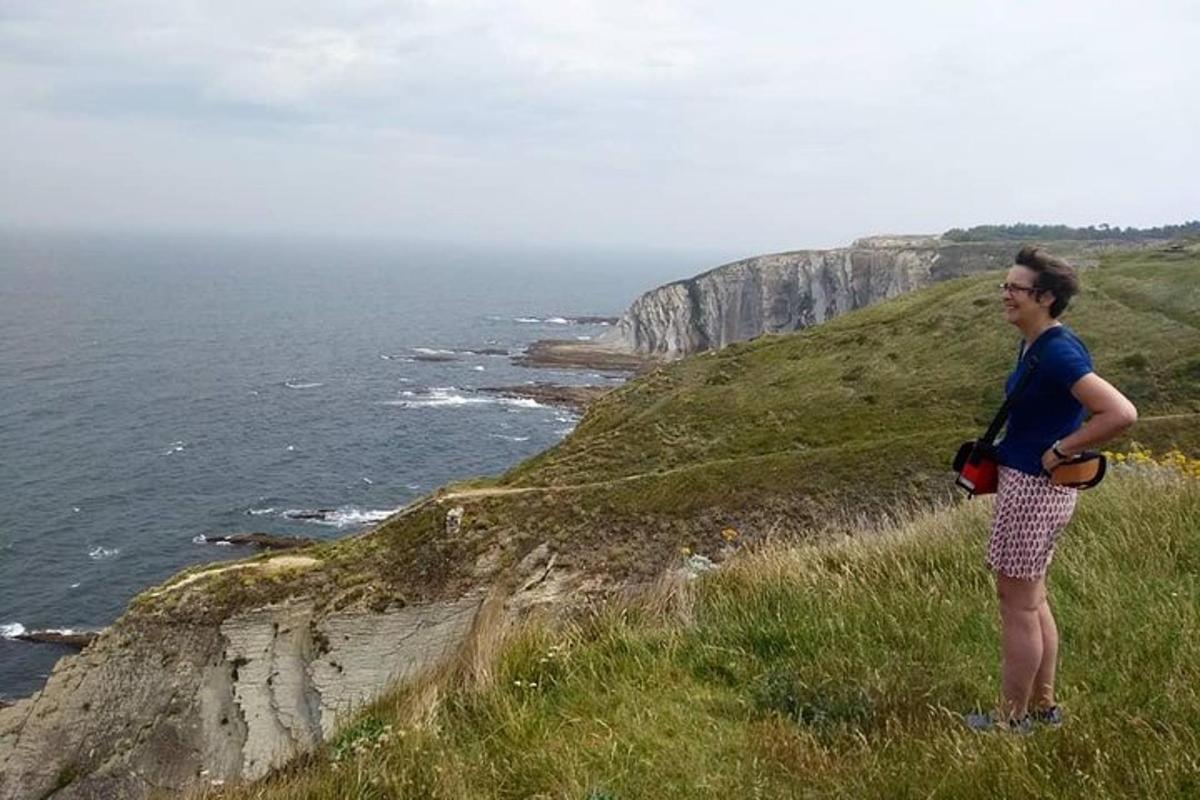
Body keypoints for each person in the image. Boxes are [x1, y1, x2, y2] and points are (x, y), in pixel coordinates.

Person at [966, 245, 1137, 733]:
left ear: (1044, 297)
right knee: (1033, 600)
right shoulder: (1039, 343)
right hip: (1037, 488)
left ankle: (1011, 720)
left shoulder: (1058, 352)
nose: (1005, 295)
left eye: (1014, 288)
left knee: (1016, 605)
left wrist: (1062, 448)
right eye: (1005, 286)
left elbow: (1121, 412)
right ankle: (1043, 708)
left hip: (1034, 491)